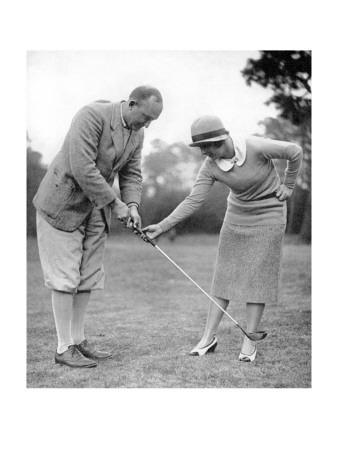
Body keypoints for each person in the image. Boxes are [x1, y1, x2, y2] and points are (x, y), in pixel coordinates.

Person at [143, 115, 302, 362]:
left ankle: (250, 341)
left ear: (224, 137)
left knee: (258, 279)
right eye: (202, 149)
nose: (207, 153)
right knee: (223, 276)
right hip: (236, 217)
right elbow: (193, 200)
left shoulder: (256, 147)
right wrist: (162, 227)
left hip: (269, 215)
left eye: (211, 146)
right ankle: (208, 337)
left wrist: (289, 184)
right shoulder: (210, 165)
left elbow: (294, 151)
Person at [33, 86, 163, 368]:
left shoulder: (138, 132)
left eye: (152, 120)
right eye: (145, 117)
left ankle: (78, 341)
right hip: (62, 203)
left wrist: (132, 206)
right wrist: (115, 203)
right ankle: (63, 347)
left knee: (88, 276)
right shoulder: (91, 115)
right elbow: (83, 167)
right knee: (65, 277)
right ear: (131, 104)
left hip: (96, 209)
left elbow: (132, 173)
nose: (147, 125)